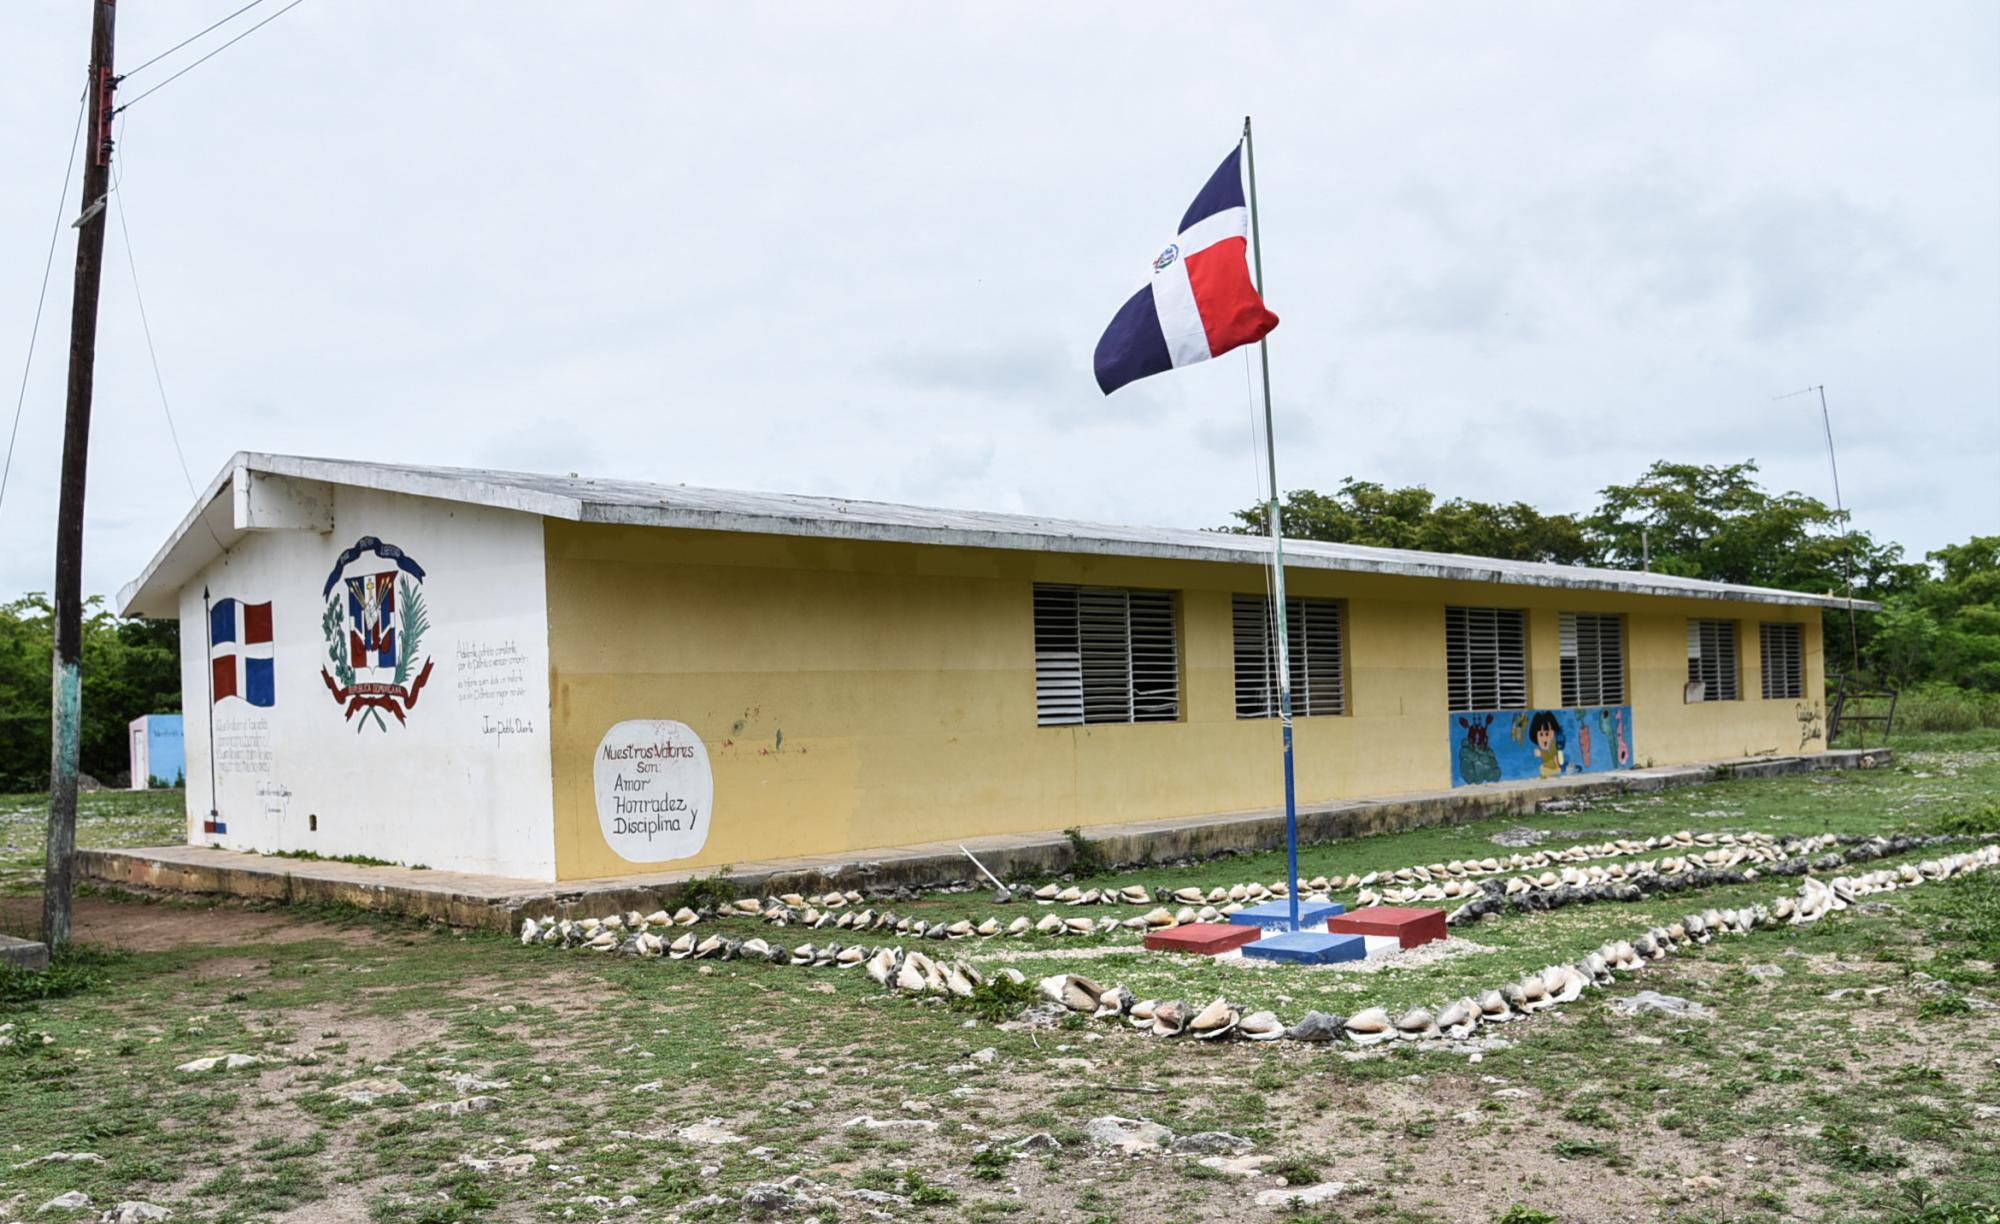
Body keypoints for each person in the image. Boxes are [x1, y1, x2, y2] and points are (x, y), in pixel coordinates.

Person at [1529, 711, 1565, 779]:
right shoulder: (1544, 747)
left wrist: (1541, 753)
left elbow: (1552, 754)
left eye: (1547, 734)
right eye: (1541, 734)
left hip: (1555, 768)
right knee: (1542, 768)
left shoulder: (1554, 744)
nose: (1544, 738)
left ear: (1553, 733)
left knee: (1542, 769)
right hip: (1548, 768)